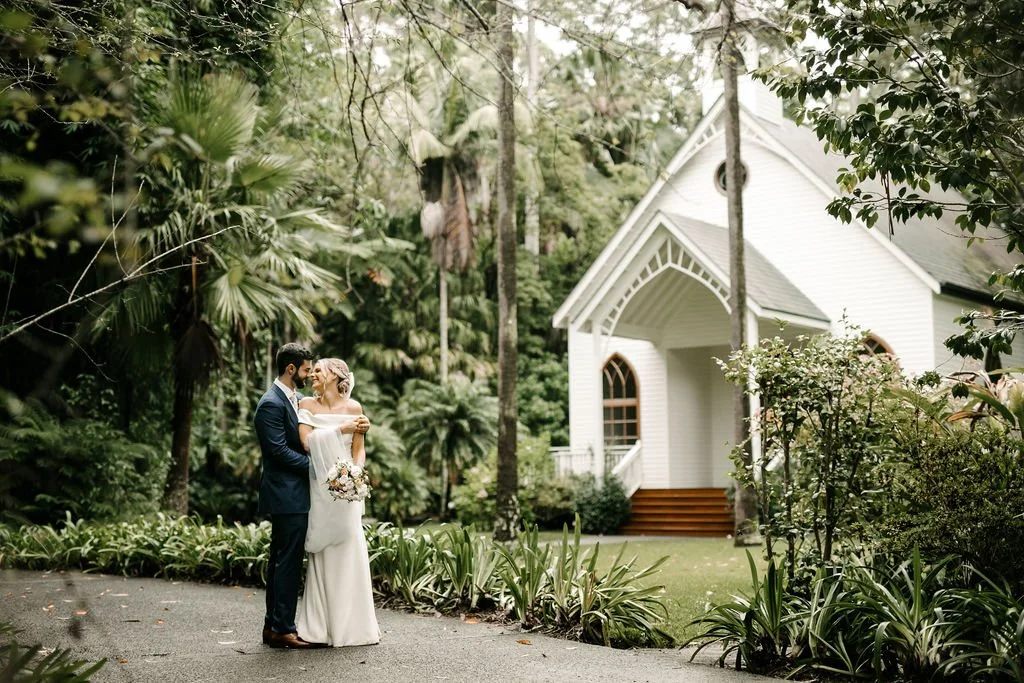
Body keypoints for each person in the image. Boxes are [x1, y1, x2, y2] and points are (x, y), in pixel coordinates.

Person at [253, 343, 368, 649]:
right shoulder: (271, 403)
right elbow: (278, 451)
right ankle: (281, 628)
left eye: (315, 370)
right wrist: (325, 471)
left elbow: (353, 444)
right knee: (286, 562)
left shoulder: (295, 399)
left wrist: (347, 472)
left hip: (308, 493)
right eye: (307, 369)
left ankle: (274, 626)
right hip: (287, 494)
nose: (310, 374)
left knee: (283, 560)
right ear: (291, 369)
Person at [295, 358, 380, 647]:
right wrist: (341, 429)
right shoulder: (307, 404)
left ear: (334, 375)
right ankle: (320, 627)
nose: (313, 375)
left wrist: (355, 474)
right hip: (320, 487)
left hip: (347, 491)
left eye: (318, 370)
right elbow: (307, 443)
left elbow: (359, 450)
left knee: (348, 547)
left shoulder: (354, 408)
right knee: (323, 548)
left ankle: (353, 627)